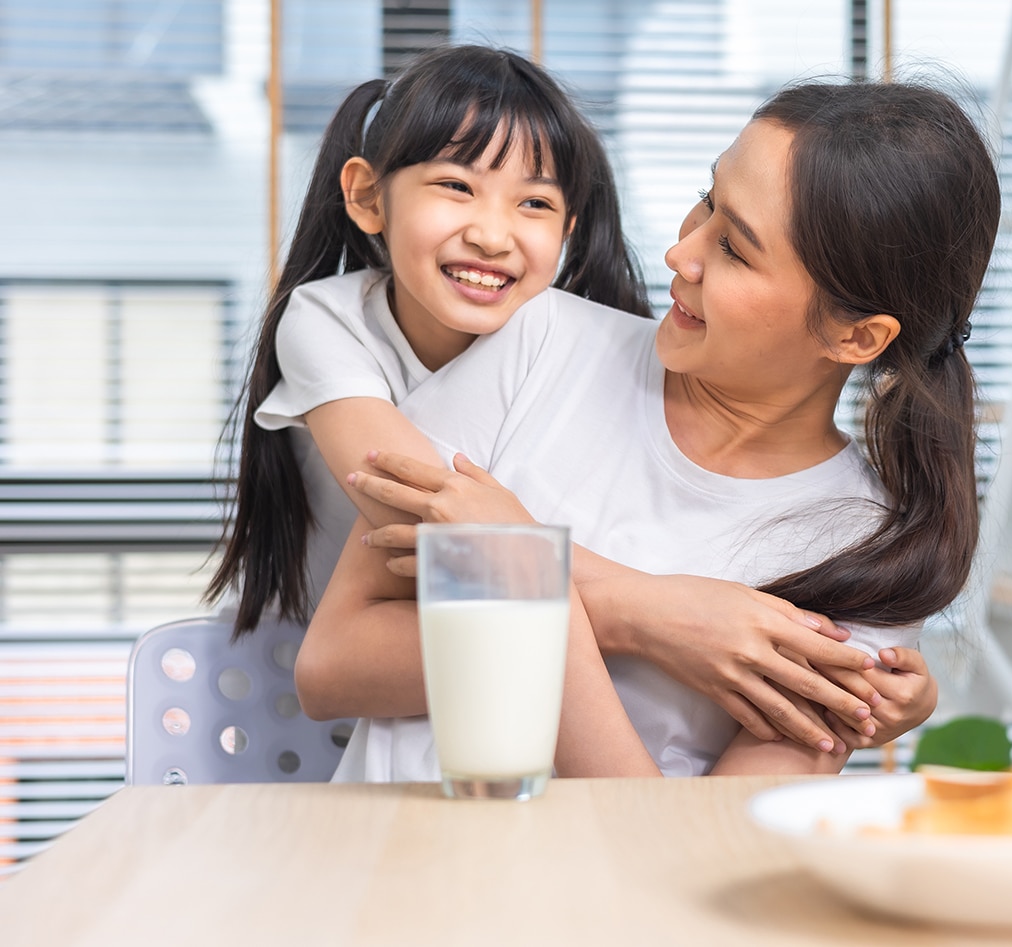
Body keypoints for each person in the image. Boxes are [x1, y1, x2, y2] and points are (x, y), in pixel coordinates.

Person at [206, 45, 933, 756]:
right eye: (706, 201)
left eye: (736, 248)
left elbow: (715, 836)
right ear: (368, 195)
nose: (679, 253)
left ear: (856, 335)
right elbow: (358, 624)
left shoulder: (869, 553)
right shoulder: (527, 334)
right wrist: (651, 613)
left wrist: (529, 570)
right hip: (329, 759)